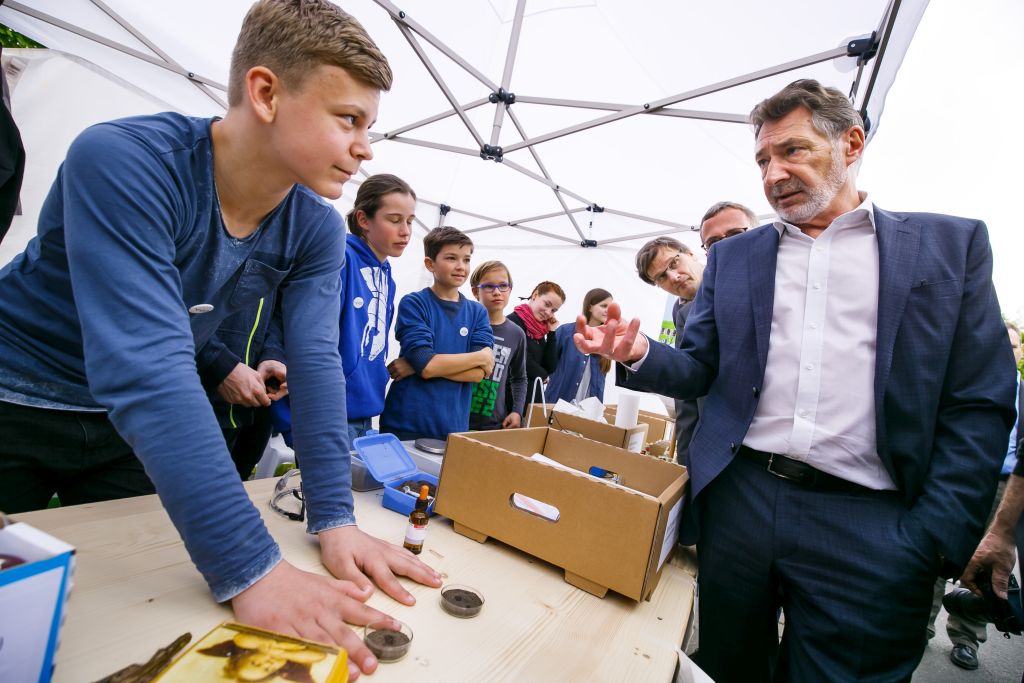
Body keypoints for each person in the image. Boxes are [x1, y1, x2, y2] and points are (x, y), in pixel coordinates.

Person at [0, 2, 442, 677]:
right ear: (265, 93)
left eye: (368, 126)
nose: (365, 148)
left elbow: (317, 363)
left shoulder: (316, 228)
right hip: (15, 398)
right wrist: (253, 565)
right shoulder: (124, 159)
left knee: (135, 608)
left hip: (120, 431)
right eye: (348, 119)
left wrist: (333, 518)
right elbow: (148, 366)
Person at [575, 78, 1016, 681]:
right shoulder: (736, 258)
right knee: (728, 666)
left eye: (793, 151)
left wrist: (932, 537)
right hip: (742, 502)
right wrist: (640, 352)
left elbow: (979, 401)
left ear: (851, 143)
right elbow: (700, 369)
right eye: (763, 159)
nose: (774, 173)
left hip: (875, 521)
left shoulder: (948, 246)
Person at [270, 173, 416, 446]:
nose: (405, 231)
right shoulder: (339, 258)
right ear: (363, 220)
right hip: (323, 414)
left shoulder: (388, 277)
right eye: (394, 220)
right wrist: (291, 419)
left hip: (364, 413)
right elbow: (301, 334)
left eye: (410, 221)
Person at [930, 321, 1023, 670]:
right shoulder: (969, 383)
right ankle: (920, 626)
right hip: (963, 480)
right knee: (937, 554)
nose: (1007, 352)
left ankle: (966, 638)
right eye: (1001, 344)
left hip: (1004, 489)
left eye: (1013, 346)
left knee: (985, 566)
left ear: (1020, 352)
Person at [379, 226, 494, 440]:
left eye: (466, 260)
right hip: (406, 422)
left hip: (452, 427)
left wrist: (415, 367)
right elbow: (427, 365)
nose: (461, 267)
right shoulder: (414, 303)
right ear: (430, 264)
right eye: (451, 258)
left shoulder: (478, 312)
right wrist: (481, 356)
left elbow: (478, 374)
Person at [197, 293, 287, 479]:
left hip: (255, 412)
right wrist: (218, 363)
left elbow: (283, 304)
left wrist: (273, 353)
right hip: (189, 403)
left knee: (232, 489)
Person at [468, 260, 528, 430]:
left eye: (503, 286)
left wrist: (517, 411)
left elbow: (519, 378)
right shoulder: (465, 326)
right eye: (489, 286)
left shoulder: (517, 334)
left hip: (493, 425)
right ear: (475, 291)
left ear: (510, 290)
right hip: (457, 419)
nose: (497, 292)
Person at [546, 288, 613, 405]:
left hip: (589, 409)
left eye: (611, 307)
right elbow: (547, 363)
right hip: (558, 403)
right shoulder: (565, 332)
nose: (608, 311)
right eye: (603, 306)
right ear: (589, 307)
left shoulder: (607, 339)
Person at [507, 281, 565, 405]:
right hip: (511, 399)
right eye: (547, 304)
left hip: (532, 399)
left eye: (553, 310)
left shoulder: (539, 331)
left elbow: (550, 366)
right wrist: (543, 374)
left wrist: (551, 333)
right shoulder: (512, 322)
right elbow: (521, 359)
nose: (548, 312)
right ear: (535, 295)